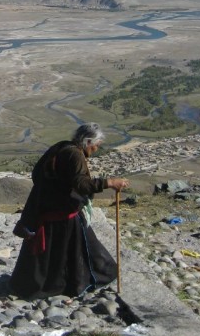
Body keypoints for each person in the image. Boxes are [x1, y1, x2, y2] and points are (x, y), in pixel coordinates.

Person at [9, 123, 129, 300]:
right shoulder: (75, 155)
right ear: (88, 141)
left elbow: (37, 174)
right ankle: (77, 282)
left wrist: (53, 190)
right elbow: (82, 184)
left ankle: (41, 285)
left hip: (48, 209)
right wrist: (109, 182)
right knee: (84, 251)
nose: (96, 149)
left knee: (53, 253)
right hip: (64, 213)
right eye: (97, 144)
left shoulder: (61, 146)